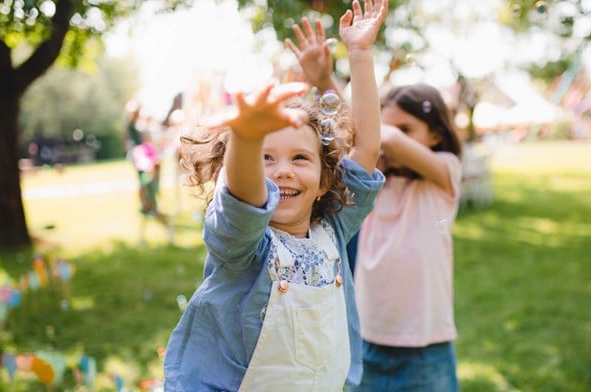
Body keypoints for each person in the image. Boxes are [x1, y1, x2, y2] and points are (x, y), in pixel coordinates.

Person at [162, 1, 388, 390]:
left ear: (324, 181)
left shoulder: (334, 225)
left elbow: (365, 145)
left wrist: (361, 54)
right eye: (265, 158)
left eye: (300, 158)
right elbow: (245, 200)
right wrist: (246, 137)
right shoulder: (243, 244)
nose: (282, 170)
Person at [352, 83, 464, 391]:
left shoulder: (445, 173)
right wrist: (324, 81)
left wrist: (377, 131)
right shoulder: (374, 183)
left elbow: (374, 134)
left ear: (436, 135)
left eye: (405, 129)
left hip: (426, 344)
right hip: (369, 338)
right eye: (387, 126)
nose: (392, 137)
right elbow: (362, 132)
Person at [123, 100, 173, 243]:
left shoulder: (142, 131)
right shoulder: (131, 129)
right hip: (143, 174)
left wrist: (150, 174)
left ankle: (167, 230)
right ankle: (144, 237)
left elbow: (152, 156)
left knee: (150, 206)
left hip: (148, 175)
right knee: (146, 207)